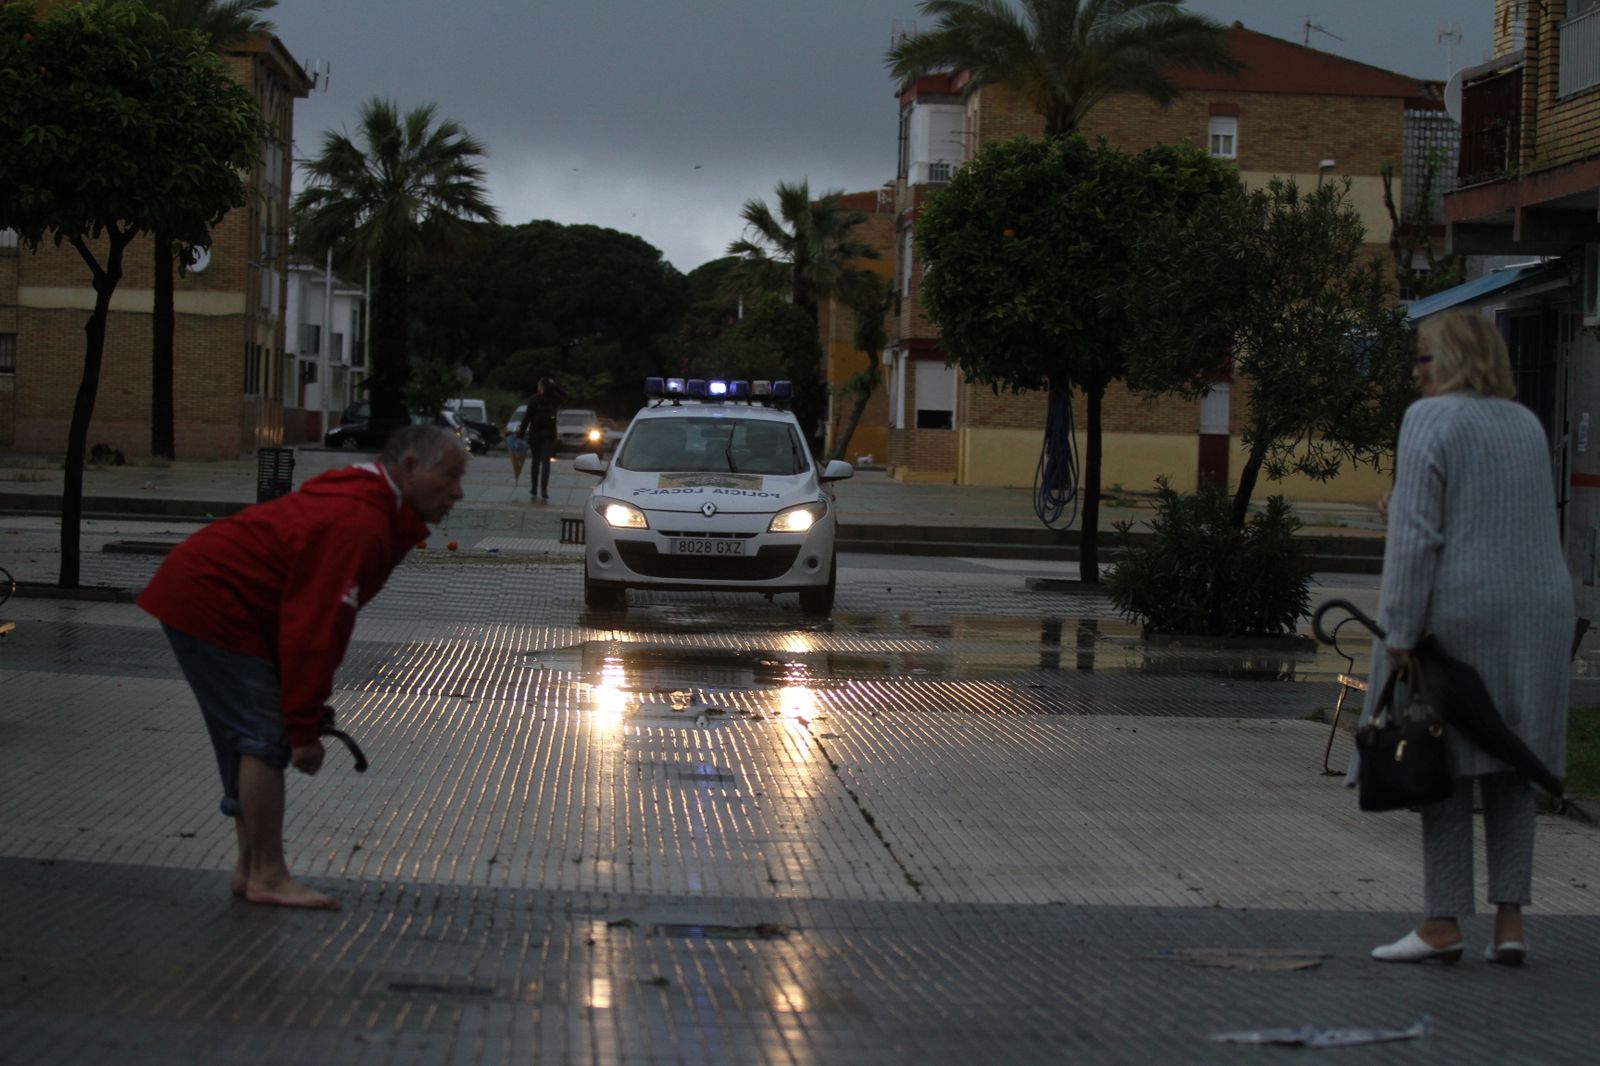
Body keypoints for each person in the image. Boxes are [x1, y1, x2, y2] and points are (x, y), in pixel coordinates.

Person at [138, 424, 468, 910]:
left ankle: (250, 869)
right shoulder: (359, 520)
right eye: (450, 477)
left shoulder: (374, 506)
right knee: (262, 737)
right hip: (212, 598)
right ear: (410, 469)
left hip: (211, 592)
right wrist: (302, 728)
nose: (458, 492)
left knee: (250, 735)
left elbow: (308, 618)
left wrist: (302, 712)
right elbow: (315, 629)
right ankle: (268, 875)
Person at [1361, 310, 1571, 966]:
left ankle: (1442, 921)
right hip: (1538, 612)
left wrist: (1398, 627)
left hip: (1461, 613)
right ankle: (1510, 925)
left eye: (1426, 358)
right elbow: (1494, 510)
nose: (1415, 371)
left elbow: (1422, 535)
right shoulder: (1525, 424)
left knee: (1440, 757)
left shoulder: (1430, 419)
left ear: (1454, 361)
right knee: (1514, 761)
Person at [516, 376, 562, 501]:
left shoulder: (534, 400)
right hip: (550, 434)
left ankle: (534, 488)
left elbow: (527, 418)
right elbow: (564, 394)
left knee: (535, 461)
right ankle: (544, 490)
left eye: (539, 385)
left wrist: (520, 435)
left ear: (541, 387)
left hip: (535, 434)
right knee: (546, 461)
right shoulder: (555, 400)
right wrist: (553, 385)